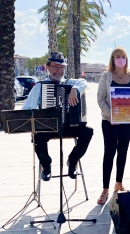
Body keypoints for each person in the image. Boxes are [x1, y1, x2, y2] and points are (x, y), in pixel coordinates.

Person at [22, 51, 94, 182]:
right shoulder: (40, 86)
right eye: (55, 66)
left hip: (69, 125)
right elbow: (27, 109)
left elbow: (84, 82)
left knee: (88, 132)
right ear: (48, 67)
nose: (58, 70)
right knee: (37, 136)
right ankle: (46, 166)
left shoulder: (71, 82)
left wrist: (75, 89)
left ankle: (72, 161)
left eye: (61, 67)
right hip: (48, 127)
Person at [97, 47, 130, 205]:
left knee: (123, 151)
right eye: (118, 57)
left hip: (127, 122)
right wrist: (111, 116)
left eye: (123, 56)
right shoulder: (106, 76)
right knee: (109, 152)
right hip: (109, 122)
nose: (121, 59)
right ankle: (105, 189)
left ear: (126, 59)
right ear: (113, 59)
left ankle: (119, 182)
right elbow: (100, 99)